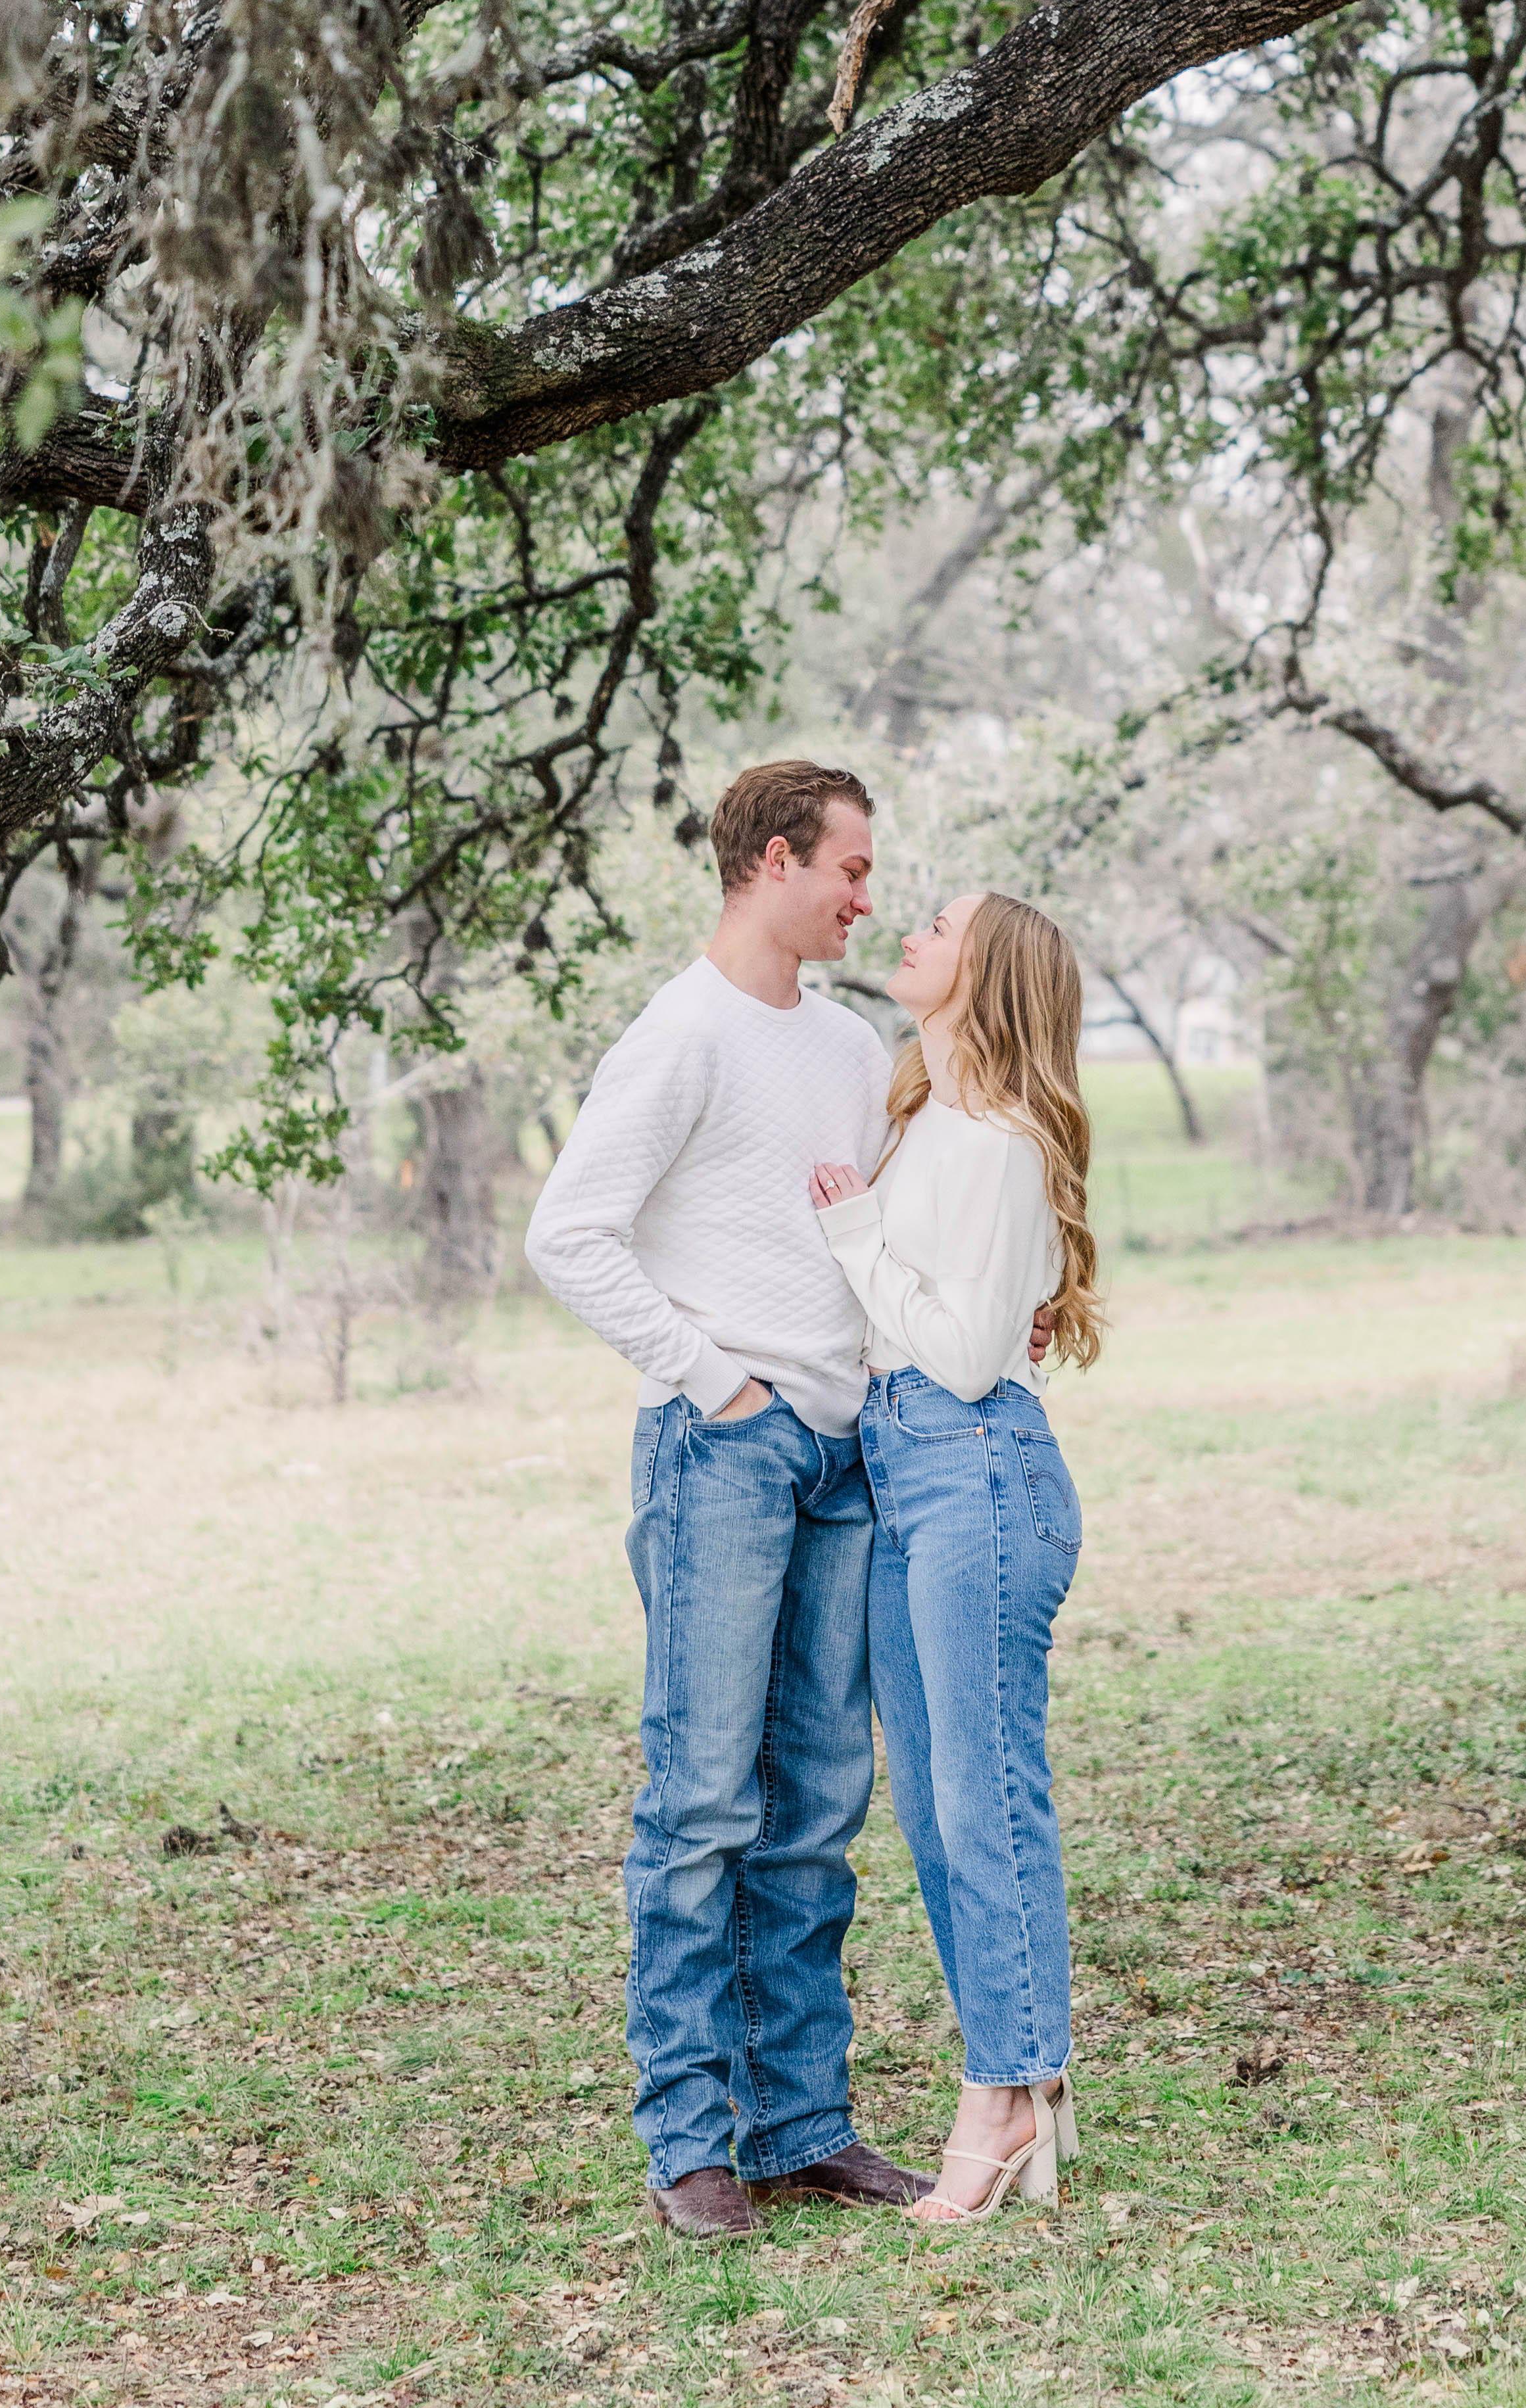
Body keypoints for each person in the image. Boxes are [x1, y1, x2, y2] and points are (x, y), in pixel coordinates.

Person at [521, 759, 941, 2241]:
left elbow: (873, 1235)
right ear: (775, 861)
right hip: (724, 1453)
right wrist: (717, 1384)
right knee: (703, 1802)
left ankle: (801, 2126)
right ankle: (692, 2139)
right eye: (850, 868)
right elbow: (569, 1234)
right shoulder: (682, 1034)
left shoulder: (846, 1045)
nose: (866, 896)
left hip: (842, 1455)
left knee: (816, 1805)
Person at [807, 889, 1106, 2224]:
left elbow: (973, 1356)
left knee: (984, 1799)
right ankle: (1013, 2079)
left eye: (940, 924)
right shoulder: (923, 1113)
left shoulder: (996, 1143)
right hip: (906, 1463)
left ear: (988, 975)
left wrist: (856, 1234)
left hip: (977, 1466)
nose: (910, 930)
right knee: (934, 1807)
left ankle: (1006, 2095)